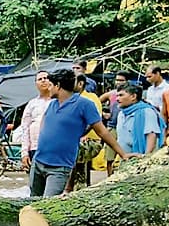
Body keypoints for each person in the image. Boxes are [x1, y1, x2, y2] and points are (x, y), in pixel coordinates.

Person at [30, 69, 130, 198]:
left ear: (58, 86)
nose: (48, 88)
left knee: (47, 202)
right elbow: (44, 125)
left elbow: (102, 132)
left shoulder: (84, 104)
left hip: (59, 166)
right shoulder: (52, 104)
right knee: (32, 200)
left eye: (50, 85)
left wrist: (123, 154)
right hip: (39, 161)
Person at [69, 74, 106, 191]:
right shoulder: (71, 98)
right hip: (76, 140)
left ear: (80, 84)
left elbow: (93, 121)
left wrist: (80, 135)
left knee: (78, 167)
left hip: (89, 140)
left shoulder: (90, 98)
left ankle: (77, 188)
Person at [19, 71, 52, 186]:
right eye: (40, 79)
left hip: (54, 149)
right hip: (34, 149)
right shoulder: (32, 104)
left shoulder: (58, 102)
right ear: (36, 84)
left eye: (46, 78)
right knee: (35, 185)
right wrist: (24, 153)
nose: (43, 80)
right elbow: (25, 128)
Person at [115, 84, 164, 155]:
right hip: (124, 157)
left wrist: (146, 157)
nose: (117, 99)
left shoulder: (147, 112)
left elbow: (151, 135)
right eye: (117, 96)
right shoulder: (121, 114)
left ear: (133, 96)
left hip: (139, 157)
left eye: (121, 95)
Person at [99, 72, 132, 175]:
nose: (118, 82)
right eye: (117, 80)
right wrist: (103, 113)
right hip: (112, 127)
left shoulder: (130, 95)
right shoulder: (111, 94)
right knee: (109, 157)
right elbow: (97, 102)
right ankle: (110, 177)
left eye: (121, 80)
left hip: (126, 127)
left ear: (127, 81)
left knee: (126, 153)